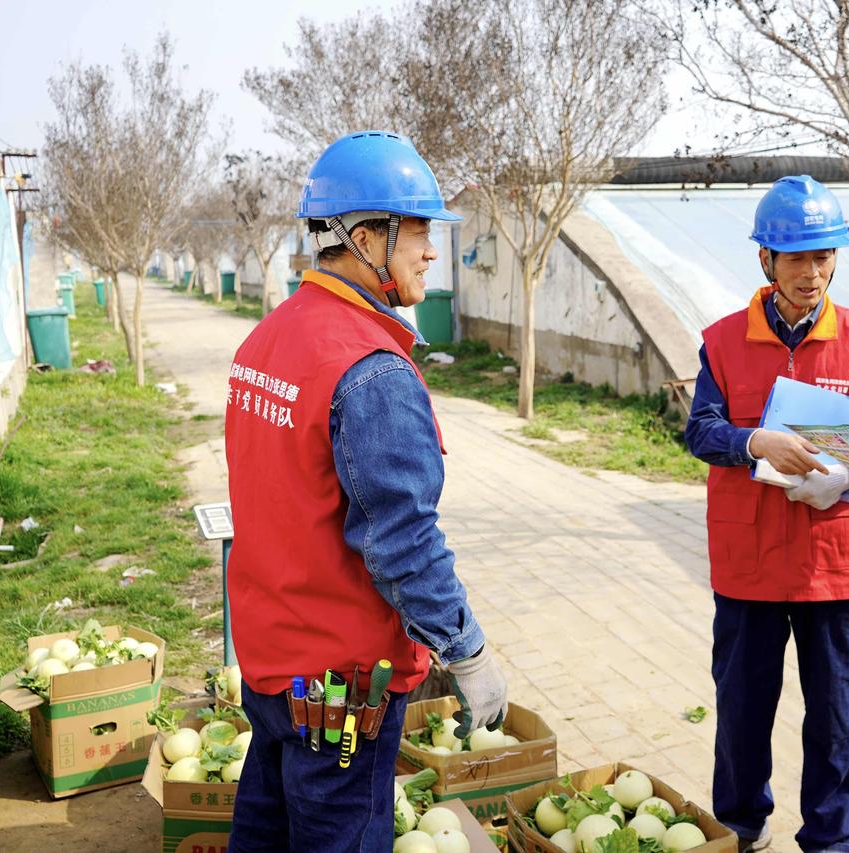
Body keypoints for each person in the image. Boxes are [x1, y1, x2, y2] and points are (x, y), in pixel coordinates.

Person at [224, 130, 507, 851]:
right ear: (364, 236)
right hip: (342, 687)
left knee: (266, 835)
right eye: (418, 231)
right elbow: (402, 540)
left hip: (272, 665)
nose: (431, 251)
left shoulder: (267, 340)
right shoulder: (371, 369)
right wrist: (468, 652)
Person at [686, 175, 849, 853]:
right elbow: (700, 430)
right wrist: (753, 441)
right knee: (742, 707)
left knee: (838, 715)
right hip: (748, 563)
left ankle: (829, 839)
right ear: (766, 259)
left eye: (823, 256)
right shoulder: (722, 340)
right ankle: (740, 825)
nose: (811, 273)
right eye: (795, 258)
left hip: (832, 562)